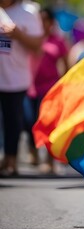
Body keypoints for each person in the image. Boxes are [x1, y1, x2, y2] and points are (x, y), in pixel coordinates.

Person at [0, 0, 43, 176]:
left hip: (15, 80)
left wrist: (19, 35)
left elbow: (38, 46)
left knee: (13, 121)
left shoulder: (28, 12)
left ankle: (11, 159)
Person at [24, 7, 69, 173]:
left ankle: (49, 161)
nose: (42, 23)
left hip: (50, 90)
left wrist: (65, 85)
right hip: (28, 88)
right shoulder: (30, 38)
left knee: (49, 126)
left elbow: (66, 64)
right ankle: (33, 152)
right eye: (39, 20)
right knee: (29, 122)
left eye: (45, 20)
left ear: (51, 23)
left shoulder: (58, 41)